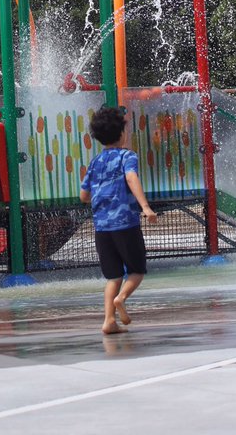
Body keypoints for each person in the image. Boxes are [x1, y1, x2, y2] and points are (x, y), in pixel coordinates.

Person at [79, 105, 158, 335]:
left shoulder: (95, 161)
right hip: (125, 224)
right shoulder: (127, 156)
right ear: (122, 133)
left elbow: (84, 195)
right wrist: (145, 207)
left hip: (101, 227)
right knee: (136, 270)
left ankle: (108, 322)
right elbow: (131, 178)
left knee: (113, 276)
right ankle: (121, 298)